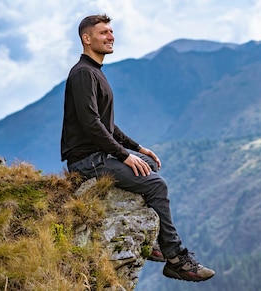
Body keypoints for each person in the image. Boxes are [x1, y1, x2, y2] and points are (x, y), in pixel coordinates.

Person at [61, 14, 214, 282]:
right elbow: (91, 125)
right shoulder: (84, 74)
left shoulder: (95, 72)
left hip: (96, 154)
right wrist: (124, 156)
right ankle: (176, 258)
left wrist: (138, 148)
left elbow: (107, 125)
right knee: (156, 184)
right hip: (86, 160)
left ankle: (155, 242)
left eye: (111, 32)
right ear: (86, 39)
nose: (111, 37)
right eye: (103, 33)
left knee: (150, 166)